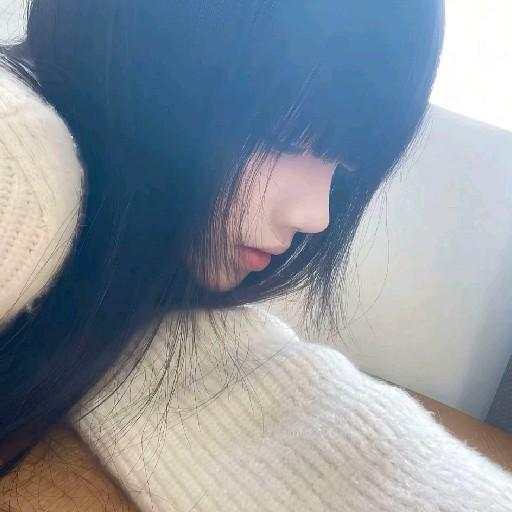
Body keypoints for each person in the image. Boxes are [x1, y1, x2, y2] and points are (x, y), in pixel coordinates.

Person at [0, 0, 511, 510]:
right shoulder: (21, 161)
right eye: (285, 138)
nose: (317, 216)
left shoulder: (126, 263)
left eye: (343, 168)